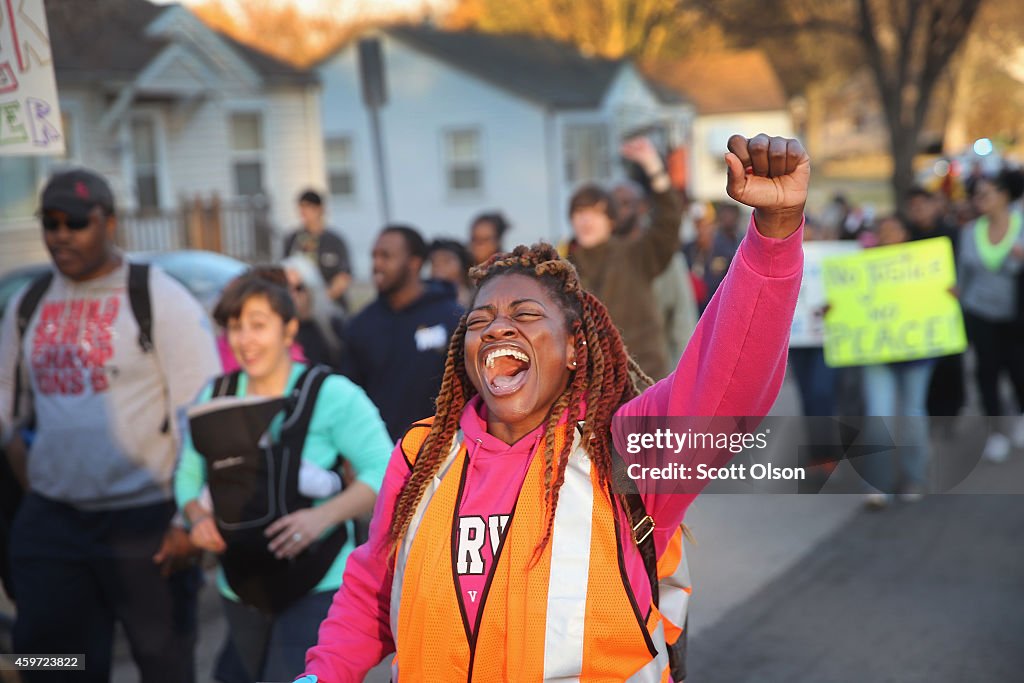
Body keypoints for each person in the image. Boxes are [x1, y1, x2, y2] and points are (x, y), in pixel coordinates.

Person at [298, 133, 808, 681]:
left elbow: (727, 385)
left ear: (574, 349)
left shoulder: (622, 450)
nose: (497, 326)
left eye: (524, 313)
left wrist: (773, 238)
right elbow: (373, 590)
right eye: (480, 320)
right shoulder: (422, 455)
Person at [0, 168, 221, 682]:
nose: (61, 235)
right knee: (48, 662)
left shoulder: (157, 297)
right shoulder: (26, 304)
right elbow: (6, 409)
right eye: (50, 223)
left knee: (164, 663)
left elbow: (203, 416)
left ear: (110, 222)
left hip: (146, 524)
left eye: (75, 222)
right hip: (54, 525)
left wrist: (193, 515)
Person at [175, 274, 392, 682]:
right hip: (238, 585)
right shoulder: (214, 396)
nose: (245, 339)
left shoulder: (331, 393)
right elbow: (188, 476)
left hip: (318, 580)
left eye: (258, 325)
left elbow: (385, 471)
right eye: (236, 326)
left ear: (289, 327)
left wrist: (322, 517)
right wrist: (196, 518)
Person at [566, 138, 682, 380]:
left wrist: (654, 167)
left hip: (642, 382)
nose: (586, 221)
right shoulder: (563, 268)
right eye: (579, 213)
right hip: (590, 391)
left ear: (611, 219)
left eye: (595, 212)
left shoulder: (637, 254)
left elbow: (668, 222)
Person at [342, 225, 464, 441]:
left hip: (442, 451)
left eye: (386, 256)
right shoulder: (361, 325)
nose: (377, 265)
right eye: (374, 257)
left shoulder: (453, 318)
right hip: (382, 454)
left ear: (414, 263)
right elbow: (349, 399)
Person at [858, 216, 939, 509]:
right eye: (883, 231)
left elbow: (940, 302)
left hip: (918, 356)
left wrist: (948, 296)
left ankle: (914, 478)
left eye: (895, 229)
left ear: (907, 233)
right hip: (877, 353)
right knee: (878, 416)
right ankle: (877, 484)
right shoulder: (862, 268)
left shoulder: (924, 267)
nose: (889, 235)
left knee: (913, 416)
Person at [956, 168, 1024, 462]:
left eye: (987, 193)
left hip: (1017, 315)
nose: (979, 199)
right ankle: (996, 432)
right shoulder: (970, 231)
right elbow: (963, 276)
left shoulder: (1022, 226)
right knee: (986, 373)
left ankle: (1021, 416)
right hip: (979, 313)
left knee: (1018, 370)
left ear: (1004, 196)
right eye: (977, 194)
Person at [612, 180, 698, 368]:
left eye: (625, 204)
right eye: (612, 205)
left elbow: (683, 322)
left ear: (641, 207)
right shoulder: (605, 260)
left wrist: (683, 378)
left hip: (656, 374)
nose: (618, 211)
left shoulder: (667, 259)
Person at [283, 190, 353, 310]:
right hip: (301, 308)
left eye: (309, 207)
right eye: (302, 208)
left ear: (320, 209)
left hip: (331, 306)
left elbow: (344, 276)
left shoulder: (334, 241)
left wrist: (323, 299)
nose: (304, 212)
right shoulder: (293, 239)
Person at [282, 255, 346, 371]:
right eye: (286, 288)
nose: (292, 295)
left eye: (298, 288)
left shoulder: (333, 325)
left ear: (311, 289)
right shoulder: (278, 330)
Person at [429, 238, 474, 308]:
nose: (439, 267)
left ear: (463, 264)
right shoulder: (426, 302)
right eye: (434, 263)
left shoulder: (478, 298)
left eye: (446, 261)